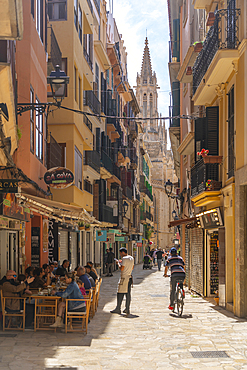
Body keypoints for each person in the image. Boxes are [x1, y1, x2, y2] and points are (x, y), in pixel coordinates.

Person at [110, 247, 134, 316]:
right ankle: (127, 308)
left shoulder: (124, 258)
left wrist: (118, 263)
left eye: (120, 253)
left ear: (123, 252)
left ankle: (118, 308)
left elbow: (122, 268)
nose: (120, 254)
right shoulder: (131, 258)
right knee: (128, 294)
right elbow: (132, 267)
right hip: (129, 277)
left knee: (120, 292)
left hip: (124, 278)